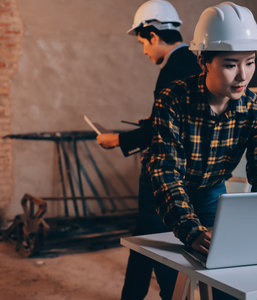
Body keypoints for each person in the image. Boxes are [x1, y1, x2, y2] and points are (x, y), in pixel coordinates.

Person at [147, 2, 257, 297]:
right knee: (170, 279)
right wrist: (190, 230)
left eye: (249, 62)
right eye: (230, 64)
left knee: (225, 274)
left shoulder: (255, 112)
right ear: (203, 61)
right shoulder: (173, 100)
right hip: (164, 190)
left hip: (210, 189)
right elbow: (166, 172)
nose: (243, 76)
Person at [96, 1, 201, 299]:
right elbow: (177, 120)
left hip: (163, 174)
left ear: (154, 36)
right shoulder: (191, 63)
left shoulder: (173, 70)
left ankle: (171, 296)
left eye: (143, 42)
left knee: (158, 243)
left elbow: (162, 131)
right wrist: (153, 118)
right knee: (143, 239)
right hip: (181, 169)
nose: (144, 50)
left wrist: (118, 139)